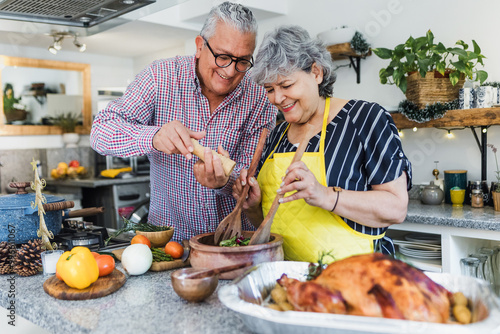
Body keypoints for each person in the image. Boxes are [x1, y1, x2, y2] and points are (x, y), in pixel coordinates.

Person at [90, 2, 277, 241]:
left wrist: (225, 182)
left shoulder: (259, 97)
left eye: (242, 61)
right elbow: (101, 131)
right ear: (200, 46)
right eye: (222, 57)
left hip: (229, 244)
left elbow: (252, 177)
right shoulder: (160, 77)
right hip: (167, 244)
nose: (230, 71)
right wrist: (154, 137)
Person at [233, 25, 412, 263]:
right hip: (288, 278)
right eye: (269, 89)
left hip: (358, 278)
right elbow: (269, 225)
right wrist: (253, 207)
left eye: (286, 85)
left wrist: (325, 195)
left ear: (316, 73)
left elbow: (396, 208)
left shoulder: (365, 119)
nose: (277, 98)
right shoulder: (276, 136)